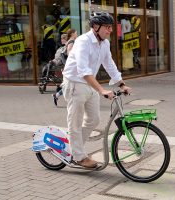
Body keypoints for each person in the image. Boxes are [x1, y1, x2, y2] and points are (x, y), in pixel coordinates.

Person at [62, 12, 131, 168]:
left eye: (110, 27)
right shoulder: (82, 42)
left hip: (89, 83)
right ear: (95, 26)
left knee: (94, 120)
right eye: (107, 27)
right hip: (75, 83)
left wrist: (121, 84)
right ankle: (78, 157)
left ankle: (75, 148)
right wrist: (102, 90)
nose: (110, 30)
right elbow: (83, 70)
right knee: (75, 123)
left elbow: (109, 64)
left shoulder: (104, 43)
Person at [52, 29, 78, 106]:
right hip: (71, 66)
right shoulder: (71, 42)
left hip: (69, 66)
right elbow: (70, 53)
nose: (77, 34)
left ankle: (57, 94)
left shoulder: (70, 41)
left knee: (71, 84)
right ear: (72, 34)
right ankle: (58, 94)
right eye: (76, 33)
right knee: (70, 84)